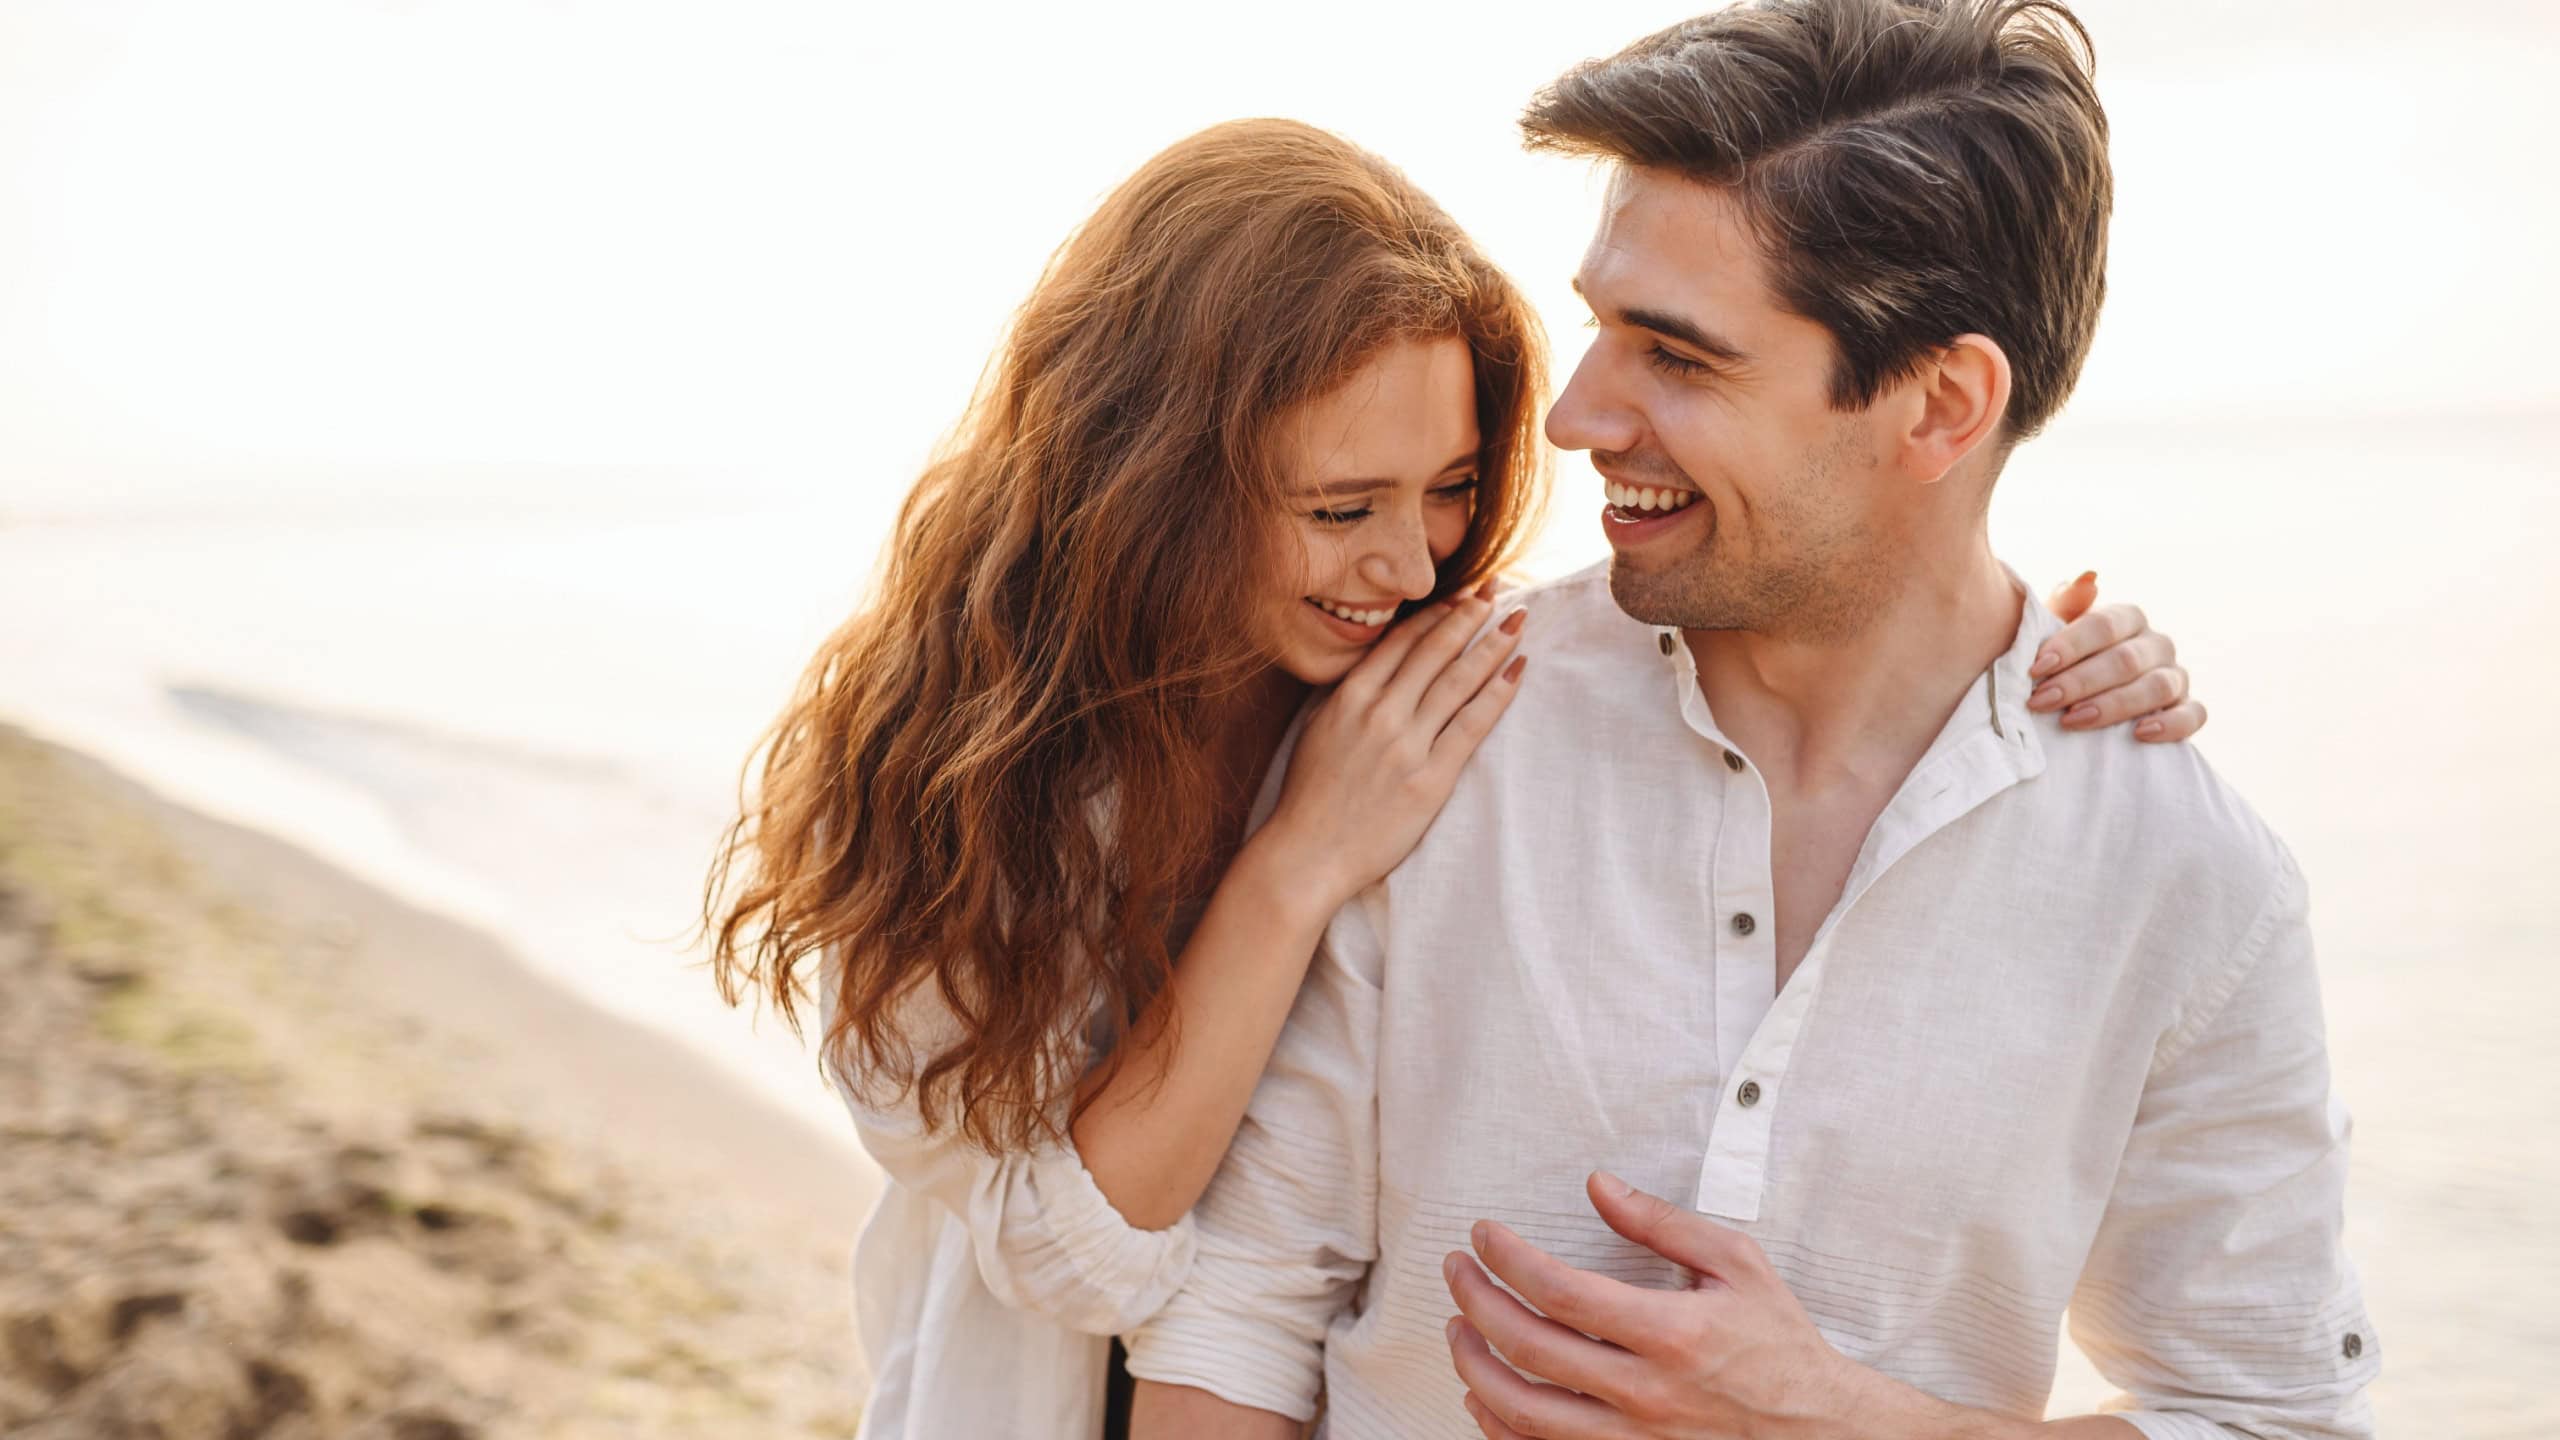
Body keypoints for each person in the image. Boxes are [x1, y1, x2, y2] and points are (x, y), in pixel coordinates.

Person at [704, 117, 2206, 1440]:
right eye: (1340, 504)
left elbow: (1836, 583)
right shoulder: (937, 788)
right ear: (1147, 478)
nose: (1409, 563)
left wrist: (2016, 675)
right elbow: (1076, 1258)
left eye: (1452, 492)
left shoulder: (1424, 677)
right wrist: (1297, 864)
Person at [1123, 4, 2374, 1440]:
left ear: (1941, 406)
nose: (1577, 415)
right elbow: (1244, 1307)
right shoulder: (1430, 735)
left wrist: (1826, 1419)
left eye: (1680, 356)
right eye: (1601, 325)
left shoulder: (2183, 877)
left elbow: (2275, 1415)